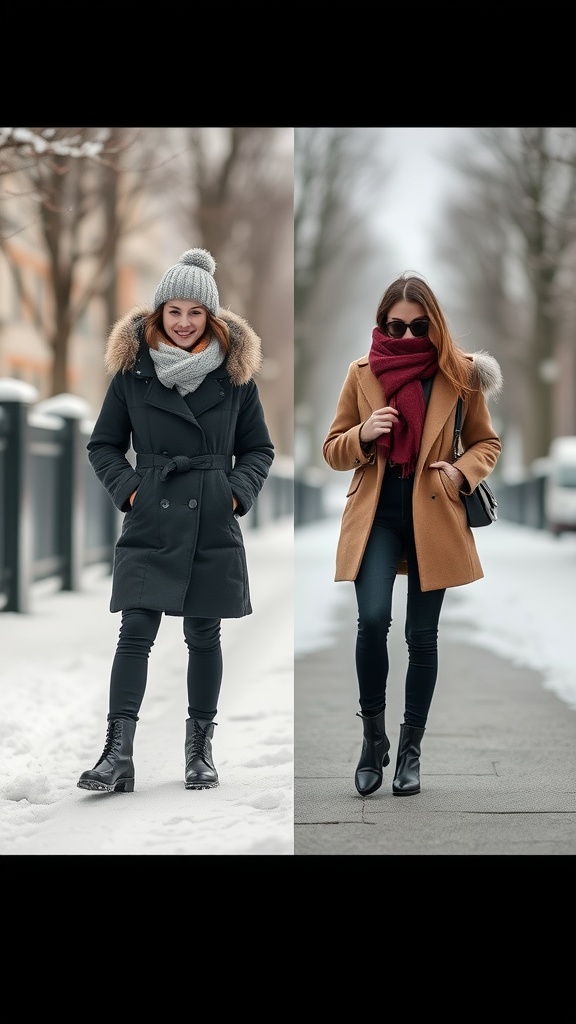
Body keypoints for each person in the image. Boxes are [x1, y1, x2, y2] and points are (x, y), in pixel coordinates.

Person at [77, 248, 274, 794]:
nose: (184, 323)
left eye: (195, 313)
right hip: (152, 515)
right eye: (174, 311)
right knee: (135, 629)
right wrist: (132, 489)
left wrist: (234, 494)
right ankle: (117, 755)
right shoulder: (132, 374)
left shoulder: (236, 380)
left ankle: (199, 753)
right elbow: (104, 446)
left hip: (211, 517)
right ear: (158, 313)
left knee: (202, 633)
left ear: (210, 317)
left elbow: (258, 449)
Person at [323, 273, 502, 798]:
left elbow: (486, 443)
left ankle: (410, 751)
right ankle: (372, 739)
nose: (405, 337)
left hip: (434, 513)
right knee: (372, 618)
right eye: (395, 326)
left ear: (434, 325)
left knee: (421, 638)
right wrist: (363, 433)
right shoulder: (361, 374)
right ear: (382, 324)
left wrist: (459, 472)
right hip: (377, 515)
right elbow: (332, 449)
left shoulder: (461, 375)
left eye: (418, 327)